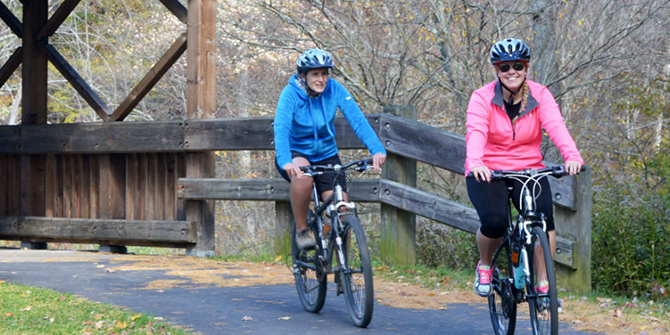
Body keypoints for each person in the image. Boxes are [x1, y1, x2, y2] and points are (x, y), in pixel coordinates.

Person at [465, 38, 584, 297]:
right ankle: (485, 265)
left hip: (528, 170)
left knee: (543, 220)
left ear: (526, 67)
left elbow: (556, 126)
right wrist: (476, 163)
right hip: (488, 170)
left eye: (517, 65)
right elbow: (475, 132)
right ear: (497, 70)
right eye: (504, 67)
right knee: (494, 222)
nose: (512, 72)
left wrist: (571, 155)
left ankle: (543, 284)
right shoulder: (482, 97)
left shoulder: (540, 95)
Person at [274, 48, 387, 249]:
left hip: (326, 154)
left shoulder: (335, 89)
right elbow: (281, 127)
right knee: (303, 177)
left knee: (342, 211)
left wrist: (376, 149)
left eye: (324, 73)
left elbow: (357, 120)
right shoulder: (290, 93)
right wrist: (285, 160)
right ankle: (302, 230)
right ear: (304, 75)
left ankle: (341, 274)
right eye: (315, 74)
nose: (321, 79)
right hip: (296, 152)